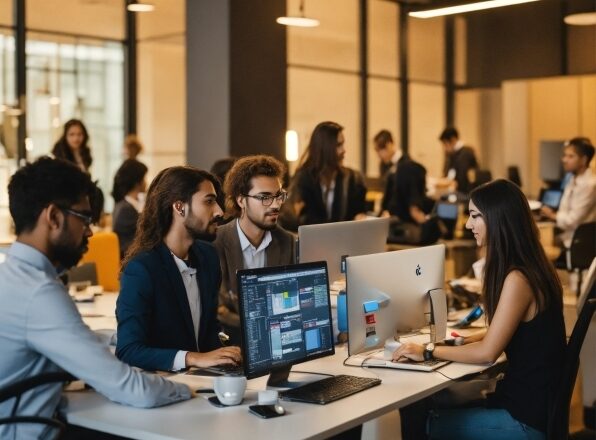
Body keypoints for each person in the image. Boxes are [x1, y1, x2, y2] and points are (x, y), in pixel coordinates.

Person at [0, 157, 191, 440]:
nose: (90, 230)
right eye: (84, 218)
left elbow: (51, 338)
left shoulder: (11, 276)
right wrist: (190, 388)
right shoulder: (39, 293)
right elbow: (131, 389)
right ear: (53, 217)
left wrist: (107, 339)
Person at [394, 179, 565, 439]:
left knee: (416, 418)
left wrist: (428, 351)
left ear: (497, 219)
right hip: (532, 408)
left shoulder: (519, 279)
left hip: (524, 422)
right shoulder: (534, 267)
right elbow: (518, 334)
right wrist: (463, 341)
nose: (467, 224)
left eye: (474, 216)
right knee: (428, 403)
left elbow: (487, 354)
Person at [116, 166, 241, 372]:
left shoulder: (207, 257)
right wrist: (193, 358)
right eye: (209, 201)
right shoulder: (141, 269)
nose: (219, 211)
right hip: (162, 383)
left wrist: (230, 355)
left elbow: (209, 334)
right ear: (179, 207)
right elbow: (128, 350)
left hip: (204, 381)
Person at [214, 155, 296, 344]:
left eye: (278, 196)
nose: (276, 204)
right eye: (265, 197)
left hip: (278, 343)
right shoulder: (215, 243)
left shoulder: (287, 241)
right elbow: (219, 311)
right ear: (241, 200)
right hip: (229, 345)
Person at [291, 121, 367, 225]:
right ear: (325, 148)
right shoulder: (303, 179)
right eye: (338, 145)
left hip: (344, 239)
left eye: (343, 144)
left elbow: (358, 213)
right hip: (312, 239)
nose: (344, 150)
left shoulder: (352, 179)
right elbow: (297, 219)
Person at [540, 137, 596, 249]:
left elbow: (572, 220)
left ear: (584, 160)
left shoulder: (590, 185)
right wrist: (553, 215)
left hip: (578, 242)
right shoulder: (572, 179)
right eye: (564, 155)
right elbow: (564, 211)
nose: (564, 160)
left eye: (570, 156)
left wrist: (552, 215)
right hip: (567, 234)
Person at [111, 159, 148, 257]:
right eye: (144, 178)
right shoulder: (126, 209)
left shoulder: (126, 205)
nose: (146, 182)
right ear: (137, 183)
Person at [439, 127, 478, 194]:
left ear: (453, 140)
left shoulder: (465, 154)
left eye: (445, 144)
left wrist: (449, 183)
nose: (444, 148)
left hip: (465, 193)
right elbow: (447, 175)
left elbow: (461, 181)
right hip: (457, 191)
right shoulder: (452, 155)